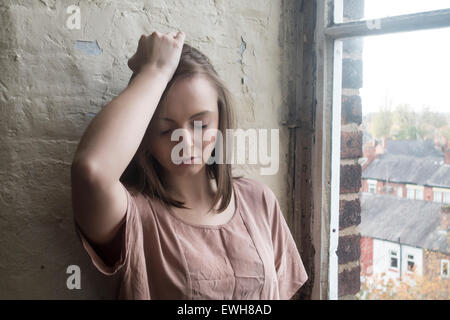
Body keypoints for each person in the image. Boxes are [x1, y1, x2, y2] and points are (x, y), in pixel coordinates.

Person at [71, 30, 308, 300]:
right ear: (143, 136)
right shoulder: (134, 217)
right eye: (165, 130)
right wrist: (155, 70)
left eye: (201, 124)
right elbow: (91, 171)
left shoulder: (258, 200)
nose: (186, 142)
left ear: (220, 119)